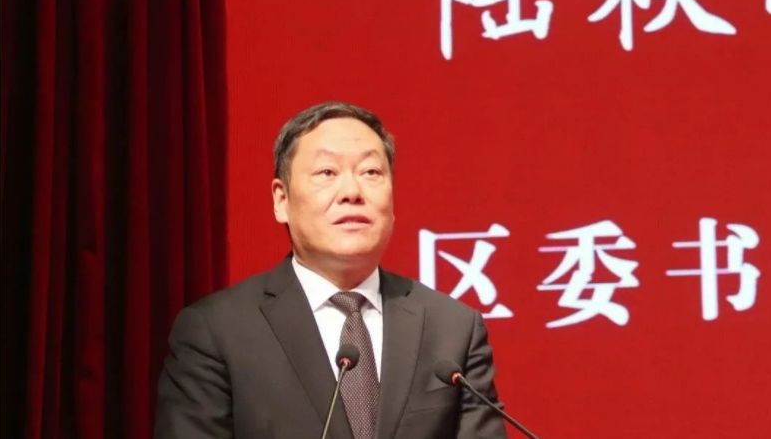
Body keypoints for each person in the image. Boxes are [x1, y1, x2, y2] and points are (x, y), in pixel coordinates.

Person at [154, 101, 507, 438]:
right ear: (281, 200)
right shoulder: (216, 332)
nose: (352, 191)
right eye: (327, 172)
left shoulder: (453, 329)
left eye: (371, 172)